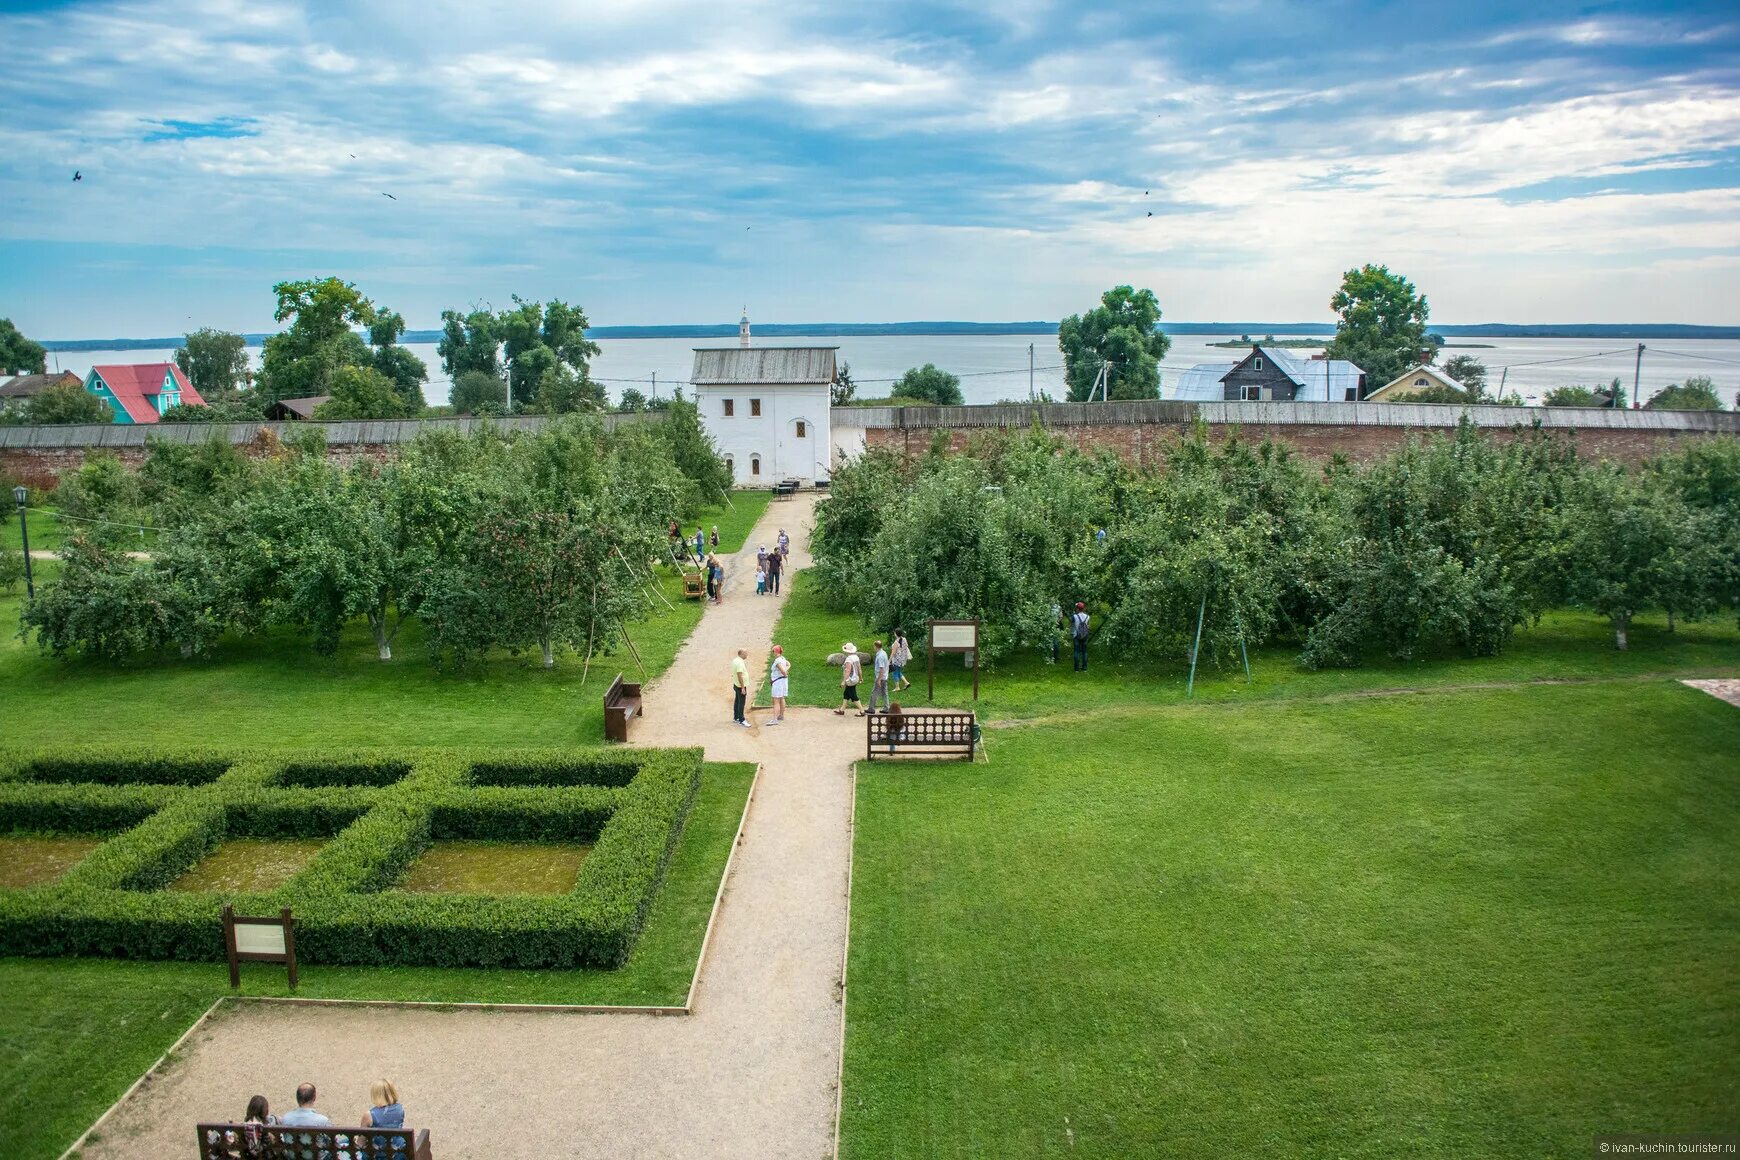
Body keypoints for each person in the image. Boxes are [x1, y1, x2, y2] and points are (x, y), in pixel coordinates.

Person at [834, 642, 862, 715]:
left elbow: (848, 671)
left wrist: (843, 681)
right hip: (855, 678)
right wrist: (861, 678)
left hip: (850, 680)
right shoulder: (856, 657)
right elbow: (859, 669)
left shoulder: (848, 660)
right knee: (846, 694)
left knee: (853, 695)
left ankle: (862, 711)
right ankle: (842, 710)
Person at [768, 645, 790, 725]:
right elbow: (788, 665)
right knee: (782, 698)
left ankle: (774, 720)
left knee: (776, 701)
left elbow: (783, 671)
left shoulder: (777, 661)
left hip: (778, 683)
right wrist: (786, 671)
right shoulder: (783, 658)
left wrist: (785, 672)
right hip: (783, 681)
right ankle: (781, 715)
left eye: (773, 651)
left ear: (775, 651)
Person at [869, 639, 891, 713]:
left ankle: (871, 708)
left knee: (874, 692)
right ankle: (887, 708)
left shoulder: (880, 656)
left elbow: (881, 669)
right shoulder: (883, 653)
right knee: (884, 692)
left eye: (874, 646)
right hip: (885, 677)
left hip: (880, 677)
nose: (873, 648)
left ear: (876, 646)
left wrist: (879, 679)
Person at [731, 648, 751, 727]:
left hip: (736, 684)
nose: (747, 655)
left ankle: (736, 717)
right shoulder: (740, 663)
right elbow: (740, 675)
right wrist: (743, 687)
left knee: (737, 701)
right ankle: (741, 719)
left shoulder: (735, 660)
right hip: (740, 686)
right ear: (741, 654)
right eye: (746, 653)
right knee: (741, 703)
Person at [1071, 601, 1091, 672]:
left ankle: (1076, 669)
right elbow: (1088, 626)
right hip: (1085, 636)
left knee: (1076, 651)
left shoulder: (1074, 616)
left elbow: (1072, 625)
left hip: (1076, 636)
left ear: (1077, 609)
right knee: (1084, 652)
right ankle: (1084, 668)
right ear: (1083, 608)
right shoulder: (1088, 617)